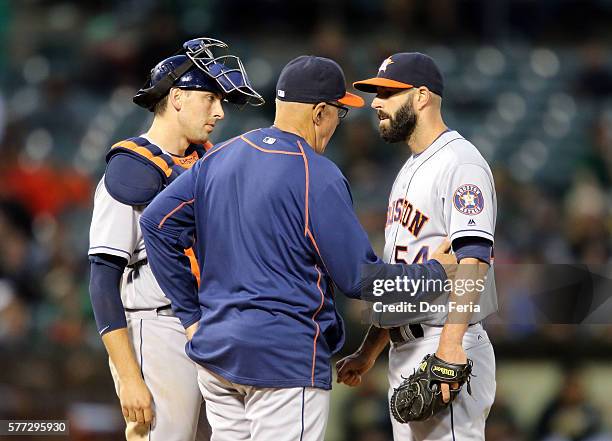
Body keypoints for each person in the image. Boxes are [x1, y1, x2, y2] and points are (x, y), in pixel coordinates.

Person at [139, 54, 458, 441]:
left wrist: (191, 315)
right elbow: (362, 281)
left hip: (216, 356)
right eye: (338, 113)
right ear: (319, 112)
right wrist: (434, 274)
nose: (337, 124)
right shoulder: (316, 174)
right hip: (284, 360)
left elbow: (155, 225)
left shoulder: (218, 158)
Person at [87, 37, 263, 441]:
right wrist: (130, 377)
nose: (219, 112)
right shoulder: (131, 171)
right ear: (178, 97)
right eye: (210, 99)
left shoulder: (207, 162)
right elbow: (102, 280)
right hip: (158, 328)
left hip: (213, 326)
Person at [336, 52, 497, 440]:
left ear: (422, 97)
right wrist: (370, 350)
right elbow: (403, 275)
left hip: (442, 342)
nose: (376, 102)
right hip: (406, 348)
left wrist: (451, 345)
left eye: (388, 93)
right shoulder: (410, 167)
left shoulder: (460, 162)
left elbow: (474, 259)